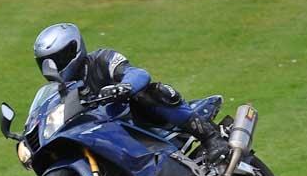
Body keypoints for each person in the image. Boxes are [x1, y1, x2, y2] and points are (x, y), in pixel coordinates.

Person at [33, 22, 228, 164]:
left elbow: (138, 74)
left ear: (74, 49)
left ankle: (210, 137)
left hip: (139, 120)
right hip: (109, 136)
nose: (52, 67)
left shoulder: (102, 59)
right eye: (46, 63)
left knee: (150, 93)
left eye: (57, 60)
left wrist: (123, 87)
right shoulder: (62, 93)